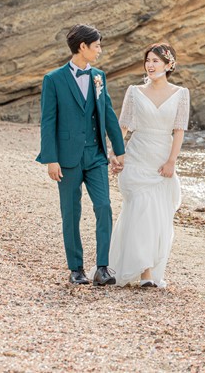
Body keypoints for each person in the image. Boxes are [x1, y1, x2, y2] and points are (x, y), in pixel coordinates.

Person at [36, 24, 125, 285]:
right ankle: (76, 269)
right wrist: (50, 159)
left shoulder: (99, 76)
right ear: (82, 47)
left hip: (96, 155)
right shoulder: (53, 79)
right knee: (71, 212)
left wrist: (119, 151)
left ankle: (103, 268)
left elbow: (107, 113)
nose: (100, 50)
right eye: (97, 45)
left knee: (104, 207)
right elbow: (47, 121)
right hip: (66, 159)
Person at [108, 43, 190, 288]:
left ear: (168, 65)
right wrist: (116, 154)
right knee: (140, 210)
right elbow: (123, 126)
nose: (150, 65)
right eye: (148, 60)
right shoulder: (134, 91)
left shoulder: (181, 93)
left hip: (161, 159)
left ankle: (147, 267)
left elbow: (179, 131)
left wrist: (171, 162)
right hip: (136, 157)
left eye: (156, 61)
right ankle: (145, 272)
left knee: (157, 215)